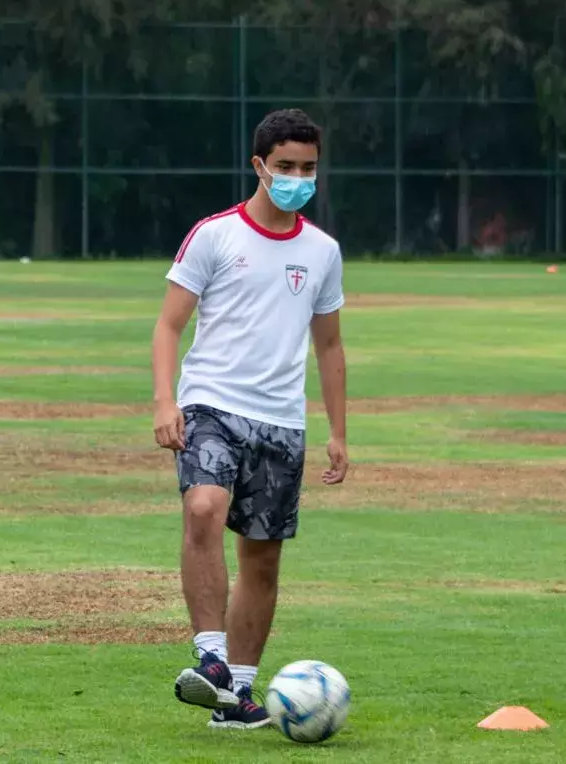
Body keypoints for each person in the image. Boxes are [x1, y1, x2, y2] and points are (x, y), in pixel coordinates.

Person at [150, 108, 349, 730]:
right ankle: (210, 658)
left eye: (308, 168)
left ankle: (236, 697)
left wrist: (339, 432)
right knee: (203, 506)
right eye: (285, 166)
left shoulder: (322, 251)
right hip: (211, 403)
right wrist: (164, 399)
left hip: (282, 421)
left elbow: (331, 347)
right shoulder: (214, 235)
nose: (297, 177)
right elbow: (168, 324)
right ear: (259, 166)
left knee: (261, 559)